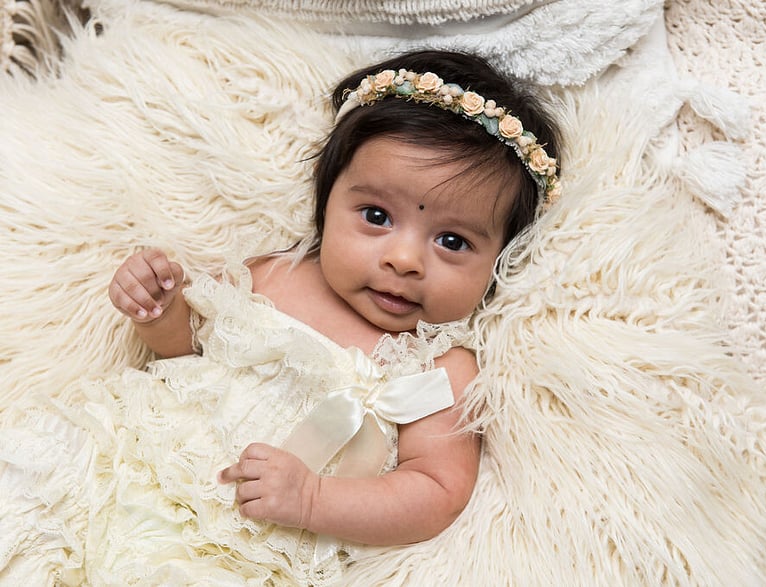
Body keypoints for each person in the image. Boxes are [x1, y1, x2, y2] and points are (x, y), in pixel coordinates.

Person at [0, 50, 560, 585]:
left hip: (234, 541)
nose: (404, 259)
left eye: (452, 240)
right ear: (326, 200)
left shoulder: (440, 365)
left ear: (500, 258)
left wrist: (315, 499)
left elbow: (436, 491)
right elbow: (187, 359)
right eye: (376, 215)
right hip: (126, 459)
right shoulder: (274, 274)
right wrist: (159, 310)